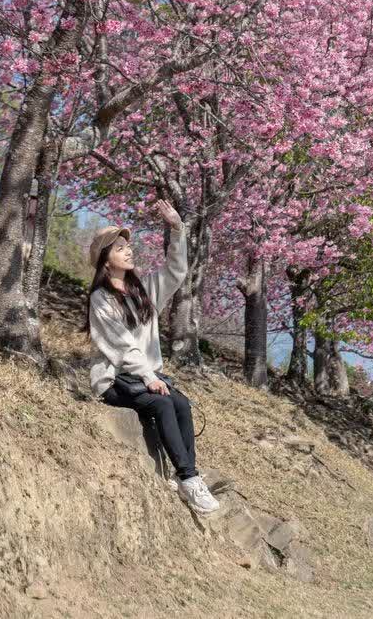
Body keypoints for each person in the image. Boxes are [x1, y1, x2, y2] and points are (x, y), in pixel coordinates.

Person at [85, 199, 220, 514]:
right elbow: (121, 344)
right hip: (114, 380)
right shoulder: (100, 299)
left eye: (127, 246)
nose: (128, 251)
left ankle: (188, 475)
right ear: (105, 261)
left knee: (181, 403)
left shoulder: (142, 294)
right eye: (119, 249)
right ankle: (189, 480)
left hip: (143, 378)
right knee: (161, 402)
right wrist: (149, 377)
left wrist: (177, 229)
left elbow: (176, 270)